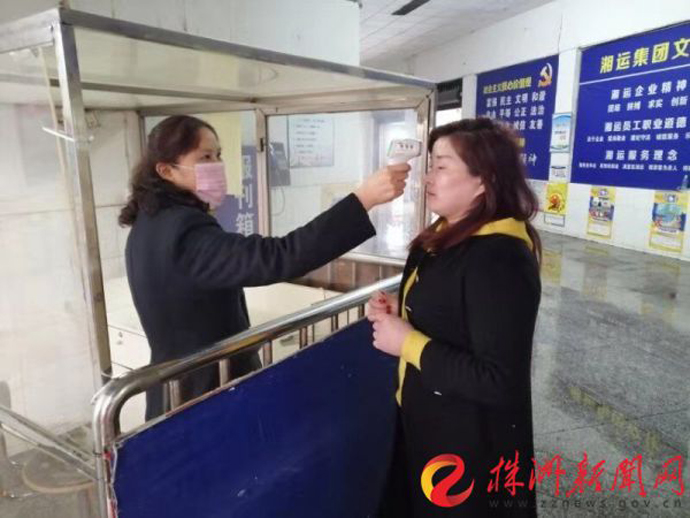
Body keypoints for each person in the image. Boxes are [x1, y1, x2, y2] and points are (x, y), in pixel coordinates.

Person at [119, 115, 410, 419]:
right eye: (204, 157)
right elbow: (280, 256)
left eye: (218, 155)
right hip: (203, 394)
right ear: (166, 170)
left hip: (177, 390)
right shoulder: (185, 231)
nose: (217, 165)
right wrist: (362, 199)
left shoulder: (149, 224)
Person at [368, 118, 542, 517]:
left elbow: (499, 380)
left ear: (485, 180)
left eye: (442, 166)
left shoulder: (500, 258)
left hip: (469, 448)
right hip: (426, 423)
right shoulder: (445, 233)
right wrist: (402, 308)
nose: (428, 177)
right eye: (431, 164)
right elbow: (454, 310)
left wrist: (406, 342)